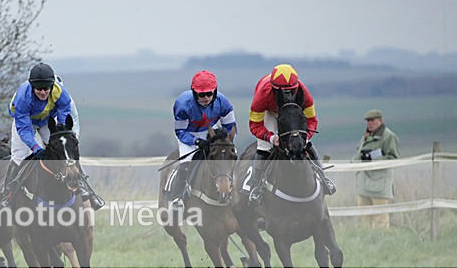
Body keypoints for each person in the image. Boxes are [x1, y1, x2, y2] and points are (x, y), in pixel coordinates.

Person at [1, 62, 104, 210]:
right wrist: (35, 147)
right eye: (39, 89)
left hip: (45, 121)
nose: (43, 92)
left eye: (46, 88)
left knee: (64, 149)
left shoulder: (60, 92)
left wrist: (60, 132)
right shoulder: (23, 98)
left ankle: (84, 186)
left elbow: (63, 117)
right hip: (25, 123)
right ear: (32, 87)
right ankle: (8, 194)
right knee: (19, 156)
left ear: (52, 85)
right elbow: (24, 129)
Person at [246, 63, 337, 203]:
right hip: (270, 111)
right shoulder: (262, 95)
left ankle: (324, 179)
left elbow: (312, 121)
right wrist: (271, 138)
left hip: (292, 111)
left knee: (305, 143)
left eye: (291, 91)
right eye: (283, 92)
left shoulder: (304, 94)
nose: (287, 95)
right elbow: (255, 124)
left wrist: (305, 137)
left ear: (296, 87)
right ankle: (256, 186)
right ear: (274, 89)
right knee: (264, 146)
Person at [164, 70, 237, 213]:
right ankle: (177, 198)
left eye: (209, 93)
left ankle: (236, 192)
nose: (206, 98)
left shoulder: (224, 103)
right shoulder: (182, 104)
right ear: (194, 93)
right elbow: (180, 132)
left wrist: (224, 141)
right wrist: (196, 141)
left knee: (229, 158)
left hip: (211, 132)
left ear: (215, 92)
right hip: (188, 134)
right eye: (201, 94)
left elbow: (230, 127)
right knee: (186, 162)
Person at [353, 109, 400, 229]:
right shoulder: (365, 137)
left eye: (372, 120)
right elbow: (358, 154)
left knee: (380, 217)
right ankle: (365, 237)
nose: (369, 123)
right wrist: (353, 164)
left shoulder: (388, 136)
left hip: (380, 183)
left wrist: (373, 160)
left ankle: (382, 238)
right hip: (363, 181)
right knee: (364, 216)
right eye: (368, 120)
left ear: (380, 120)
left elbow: (394, 158)